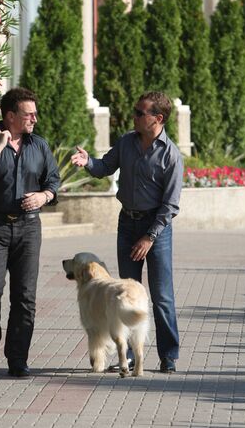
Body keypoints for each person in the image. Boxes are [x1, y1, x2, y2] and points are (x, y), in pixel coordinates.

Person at [71, 91, 183, 373]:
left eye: (139, 112)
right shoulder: (126, 143)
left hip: (155, 230)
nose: (133, 116)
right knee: (124, 294)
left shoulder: (171, 155)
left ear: (157, 118)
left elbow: (170, 205)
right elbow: (105, 167)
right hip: (127, 224)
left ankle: (168, 356)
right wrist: (89, 163)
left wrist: (149, 237)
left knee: (161, 296)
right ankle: (129, 356)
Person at [0, 87, 60, 377]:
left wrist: (44, 196)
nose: (34, 118)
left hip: (29, 228)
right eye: (28, 114)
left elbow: (53, 181)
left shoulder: (39, 145)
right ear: (10, 116)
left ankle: (18, 358)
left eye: (34, 113)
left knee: (25, 296)